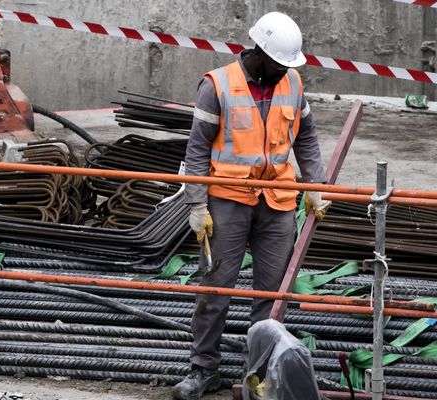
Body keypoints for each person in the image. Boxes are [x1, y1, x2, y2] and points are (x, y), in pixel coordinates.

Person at [173, 11, 330, 400]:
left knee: (273, 294)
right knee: (215, 287)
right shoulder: (218, 85)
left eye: (289, 64)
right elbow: (196, 150)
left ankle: (259, 375)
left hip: (276, 199)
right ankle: (203, 369)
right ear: (259, 52)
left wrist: (315, 185)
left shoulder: (292, 81)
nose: (283, 71)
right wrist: (196, 203)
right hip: (227, 198)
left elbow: (306, 137)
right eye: (279, 62)